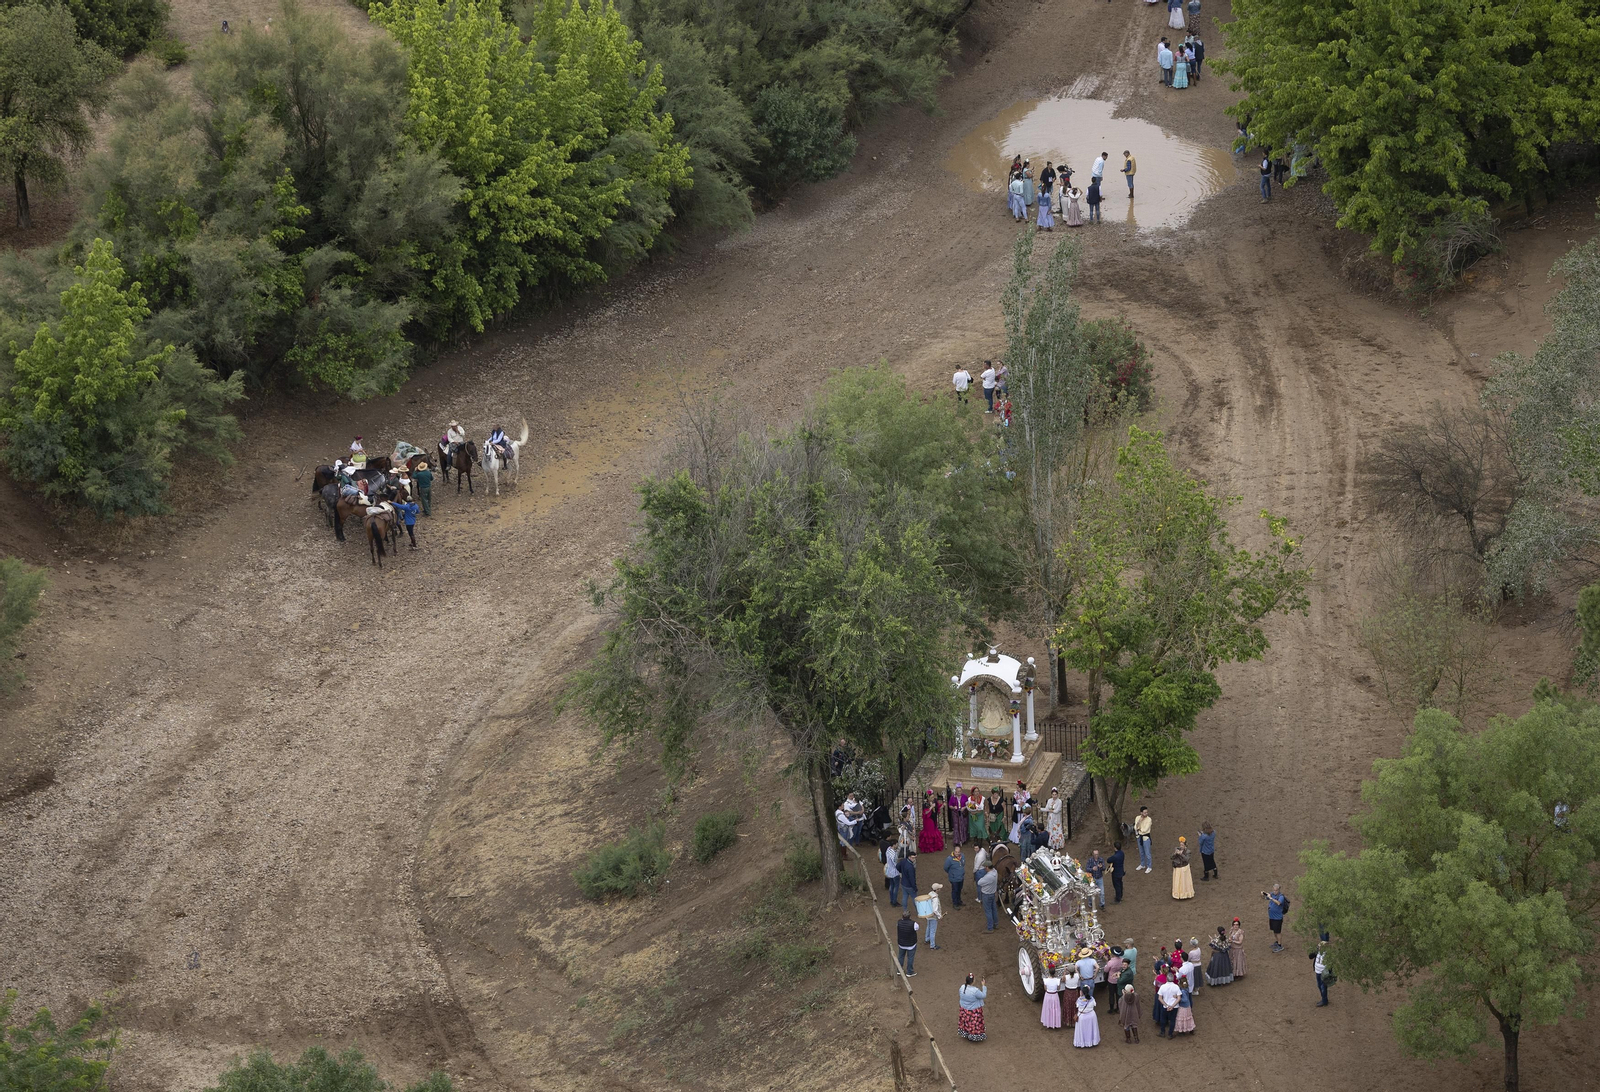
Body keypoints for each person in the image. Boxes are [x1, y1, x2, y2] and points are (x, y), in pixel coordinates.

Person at [958, 974, 987, 1041]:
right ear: (973, 981)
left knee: (966, 1022)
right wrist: (983, 986)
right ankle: (975, 1036)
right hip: (973, 1010)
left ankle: (966, 1033)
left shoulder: (962, 987)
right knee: (974, 1024)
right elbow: (983, 995)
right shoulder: (975, 991)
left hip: (964, 1009)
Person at [977, 861, 1000, 931]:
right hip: (992, 893)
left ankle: (990, 928)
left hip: (986, 895)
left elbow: (979, 882)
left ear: (987, 867)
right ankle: (996, 924)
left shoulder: (988, 876)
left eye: (985, 867)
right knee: (994, 909)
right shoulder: (995, 872)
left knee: (988, 911)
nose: (984, 868)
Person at [1265, 884, 1289, 951]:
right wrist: (1263, 894)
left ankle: (1280, 945)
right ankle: (1277, 942)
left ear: (1279, 890)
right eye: (1274, 890)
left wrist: (1271, 898)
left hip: (1277, 918)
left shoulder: (1281, 896)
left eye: (1276, 890)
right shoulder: (1272, 894)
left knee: (1278, 932)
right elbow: (1265, 898)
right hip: (1272, 917)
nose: (1274, 891)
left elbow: (1278, 903)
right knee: (1275, 931)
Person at [896, 909, 919, 977]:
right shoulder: (914, 924)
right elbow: (917, 928)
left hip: (901, 944)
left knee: (901, 956)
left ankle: (899, 970)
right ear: (909, 917)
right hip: (911, 944)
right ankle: (909, 972)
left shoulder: (898, 922)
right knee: (910, 958)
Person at [1041, 965, 1064, 1029]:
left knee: (1048, 1009)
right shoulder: (1057, 980)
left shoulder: (1045, 980)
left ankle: (1048, 1023)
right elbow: (1058, 988)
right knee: (1055, 1009)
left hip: (1048, 995)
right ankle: (1055, 1023)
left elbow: (1045, 988)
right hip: (1055, 996)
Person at [922, 883, 944, 948]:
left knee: (928, 927)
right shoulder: (935, 898)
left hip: (928, 915)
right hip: (933, 916)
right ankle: (932, 945)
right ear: (937, 890)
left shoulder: (930, 894)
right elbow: (935, 910)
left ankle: (927, 939)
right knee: (933, 930)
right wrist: (940, 916)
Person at [1134, 806, 1154, 872]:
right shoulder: (1137, 818)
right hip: (1139, 837)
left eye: (1147, 812)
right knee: (1141, 852)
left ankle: (1149, 866)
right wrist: (1139, 822)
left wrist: (1139, 829)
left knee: (1147, 852)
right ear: (1141, 813)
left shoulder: (1149, 819)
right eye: (1144, 813)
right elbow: (1135, 827)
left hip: (1146, 837)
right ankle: (1142, 864)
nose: (1146, 814)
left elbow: (1145, 829)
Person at [884, 841, 901, 905]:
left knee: (891, 886)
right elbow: (895, 862)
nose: (897, 845)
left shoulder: (888, 850)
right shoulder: (893, 853)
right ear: (894, 845)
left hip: (889, 871)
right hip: (895, 872)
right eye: (896, 844)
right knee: (896, 887)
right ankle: (894, 901)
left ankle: (891, 900)